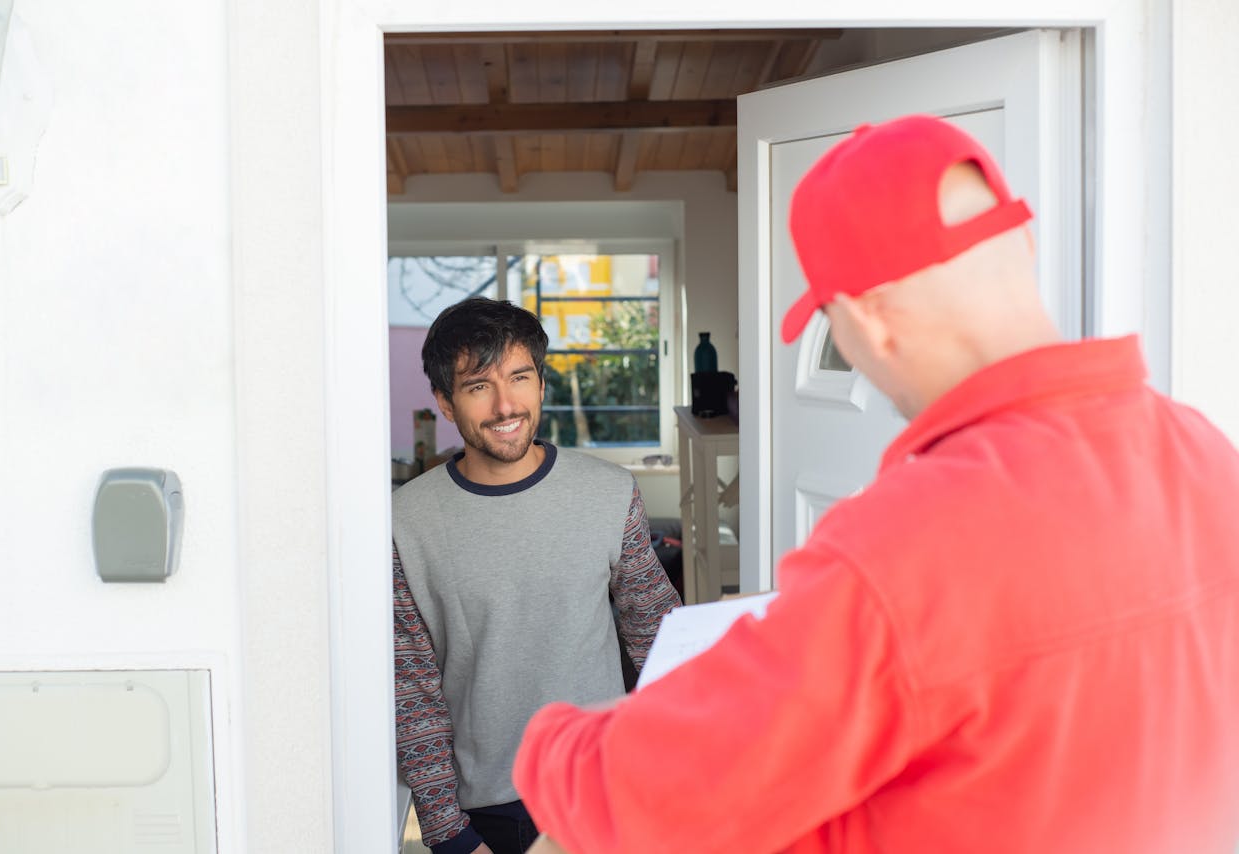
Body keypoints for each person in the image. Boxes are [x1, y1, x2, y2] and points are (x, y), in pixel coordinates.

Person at [510, 115, 1239, 853]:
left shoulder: (912, 544)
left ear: (866, 322)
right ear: (1021, 240)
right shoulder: (1207, 454)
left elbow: (649, 794)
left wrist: (547, 742)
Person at [393, 296, 682, 854]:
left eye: (520, 378)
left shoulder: (610, 493)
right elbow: (412, 689)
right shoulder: (406, 521)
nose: (506, 405)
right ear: (445, 403)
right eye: (479, 386)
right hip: (490, 812)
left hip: (606, 790)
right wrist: (449, 834)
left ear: (542, 383)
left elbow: (659, 639)